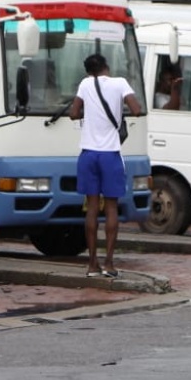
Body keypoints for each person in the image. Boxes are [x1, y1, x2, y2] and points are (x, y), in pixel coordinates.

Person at [69, 53, 143, 278]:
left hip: (89, 154)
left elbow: (73, 113)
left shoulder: (84, 84)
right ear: (106, 66)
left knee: (92, 208)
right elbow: (137, 109)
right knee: (111, 208)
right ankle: (109, 264)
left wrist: (90, 113)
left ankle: (92, 264)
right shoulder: (120, 83)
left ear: (89, 71)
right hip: (110, 155)